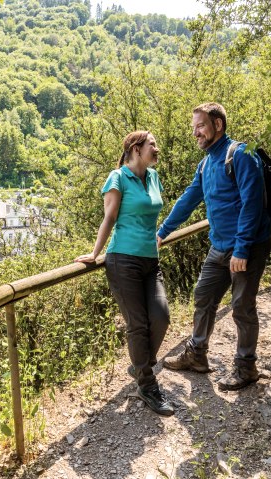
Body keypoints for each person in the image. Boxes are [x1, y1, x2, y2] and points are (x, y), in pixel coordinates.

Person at [157, 102, 271, 391]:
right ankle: (196, 356)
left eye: (200, 126)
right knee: (203, 297)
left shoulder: (241, 155)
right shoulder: (206, 162)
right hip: (219, 247)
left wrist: (242, 249)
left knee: (242, 307)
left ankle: (246, 368)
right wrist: (162, 232)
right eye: (194, 127)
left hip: (247, 247)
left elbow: (252, 203)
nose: (195, 132)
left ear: (217, 125)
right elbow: (188, 199)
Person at [75, 130, 174, 416]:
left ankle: (140, 364)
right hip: (123, 260)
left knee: (161, 316)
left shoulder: (154, 177)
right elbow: (110, 217)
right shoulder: (117, 177)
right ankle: (147, 384)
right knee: (138, 324)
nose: (157, 148)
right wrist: (95, 254)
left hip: (150, 260)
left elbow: (150, 215)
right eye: (152, 144)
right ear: (135, 148)